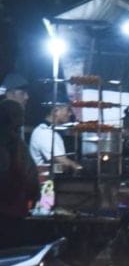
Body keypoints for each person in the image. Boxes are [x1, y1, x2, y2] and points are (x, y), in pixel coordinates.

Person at [0, 100, 40, 246]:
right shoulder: (15, 145)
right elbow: (29, 176)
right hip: (12, 211)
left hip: (14, 209)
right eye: (19, 115)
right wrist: (34, 194)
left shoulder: (17, 144)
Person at [29, 96, 82, 172]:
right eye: (68, 110)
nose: (70, 114)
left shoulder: (49, 130)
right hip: (44, 181)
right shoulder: (44, 133)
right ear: (56, 111)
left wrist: (66, 169)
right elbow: (62, 161)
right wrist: (78, 168)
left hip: (50, 177)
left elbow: (57, 168)